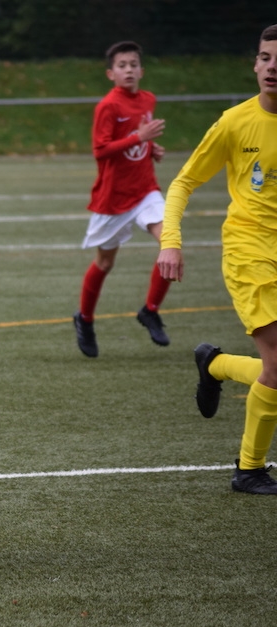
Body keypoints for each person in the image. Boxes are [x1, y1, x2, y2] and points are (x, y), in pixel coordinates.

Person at [156, 24, 277, 495]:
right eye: (266, 57)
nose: (273, 67)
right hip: (250, 251)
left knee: (273, 368)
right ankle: (249, 469)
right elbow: (183, 182)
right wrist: (170, 241)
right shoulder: (234, 122)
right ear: (255, 63)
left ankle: (216, 364)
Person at [73, 40, 170, 358]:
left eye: (133, 65)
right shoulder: (108, 106)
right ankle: (85, 319)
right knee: (105, 262)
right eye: (122, 65)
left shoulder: (148, 99)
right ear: (110, 73)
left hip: (145, 191)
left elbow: (137, 139)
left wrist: (150, 148)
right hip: (113, 198)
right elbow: (101, 150)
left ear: (142, 71)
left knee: (170, 242)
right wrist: (139, 138)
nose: (128, 70)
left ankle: (150, 310)